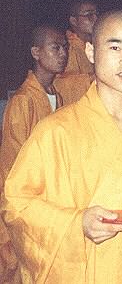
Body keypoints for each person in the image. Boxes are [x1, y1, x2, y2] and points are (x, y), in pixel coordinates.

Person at [1, 11, 122, 283]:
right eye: (115, 47)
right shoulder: (55, 132)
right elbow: (17, 206)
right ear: (90, 51)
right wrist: (75, 223)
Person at [0, 25, 68, 283]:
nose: (62, 53)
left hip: (48, 200)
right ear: (36, 52)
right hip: (25, 201)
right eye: (55, 47)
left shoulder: (55, 96)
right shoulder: (23, 100)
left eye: (64, 47)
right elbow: (11, 162)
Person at [52, 0, 97, 105]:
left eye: (96, 14)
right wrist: (95, 79)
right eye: (89, 15)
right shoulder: (67, 48)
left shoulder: (97, 45)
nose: (95, 18)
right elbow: (57, 84)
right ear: (74, 21)